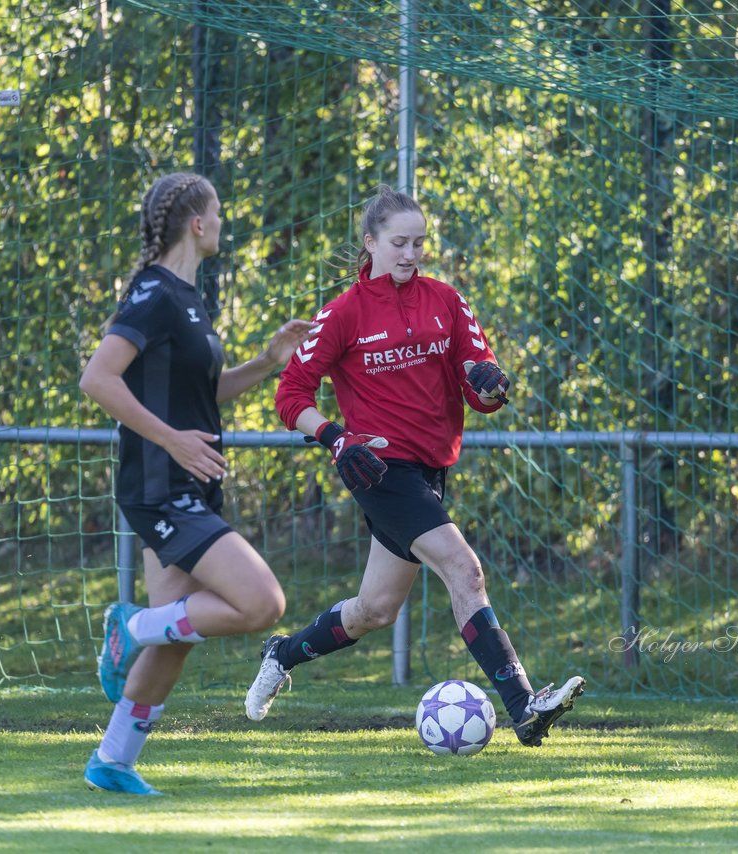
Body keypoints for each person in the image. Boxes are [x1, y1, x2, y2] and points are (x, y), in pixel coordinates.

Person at [245, 185, 584, 747]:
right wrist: (333, 436)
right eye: (399, 242)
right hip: (379, 470)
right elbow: (291, 394)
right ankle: (525, 707)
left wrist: (491, 386)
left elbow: (480, 383)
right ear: (371, 243)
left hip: (430, 471)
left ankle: (282, 653)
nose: (410, 253)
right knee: (465, 570)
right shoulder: (343, 314)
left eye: (419, 243)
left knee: (374, 610)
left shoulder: (446, 301)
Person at [79, 172, 313, 794]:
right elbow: (98, 379)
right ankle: (126, 628)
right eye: (219, 212)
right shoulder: (153, 294)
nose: (224, 223)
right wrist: (170, 439)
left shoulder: (185, 298)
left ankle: (113, 761)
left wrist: (266, 362)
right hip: (162, 485)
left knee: (178, 631)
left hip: (188, 482)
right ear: (198, 224)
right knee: (262, 603)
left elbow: (201, 394)